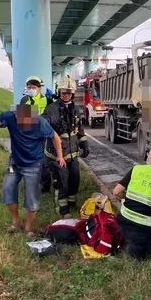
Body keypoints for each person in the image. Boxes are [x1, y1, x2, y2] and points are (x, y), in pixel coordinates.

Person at [0, 104, 66, 238]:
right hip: (14, 163)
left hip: (33, 164)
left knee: (31, 196)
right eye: (17, 116)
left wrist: (60, 156)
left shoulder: (40, 122)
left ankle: (28, 227)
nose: (19, 120)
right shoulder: (9, 116)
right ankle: (16, 222)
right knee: (8, 188)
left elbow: (55, 137)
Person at [42, 77, 89, 218]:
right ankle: (63, 210)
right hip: (57, 155)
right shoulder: (52, 109)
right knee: (61, 183)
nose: (66, 95)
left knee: (74, 180)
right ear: (59, 92)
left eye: (69, 93)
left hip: (73, 154)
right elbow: (44, 122)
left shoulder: (75, 108)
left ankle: (72, 203)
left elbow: (79, 128)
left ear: (73, 93)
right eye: (63, 92)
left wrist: (84, 144)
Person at [19, 75, 53, 192]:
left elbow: (52, 117)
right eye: (29, 87)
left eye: (33, 87)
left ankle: (45, 186)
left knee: (45, 162)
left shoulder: (47, 100)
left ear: (39, 88)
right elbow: (24, 122)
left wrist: (52, 100)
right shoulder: (25, 100)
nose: (31, 89)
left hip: (44, 135)